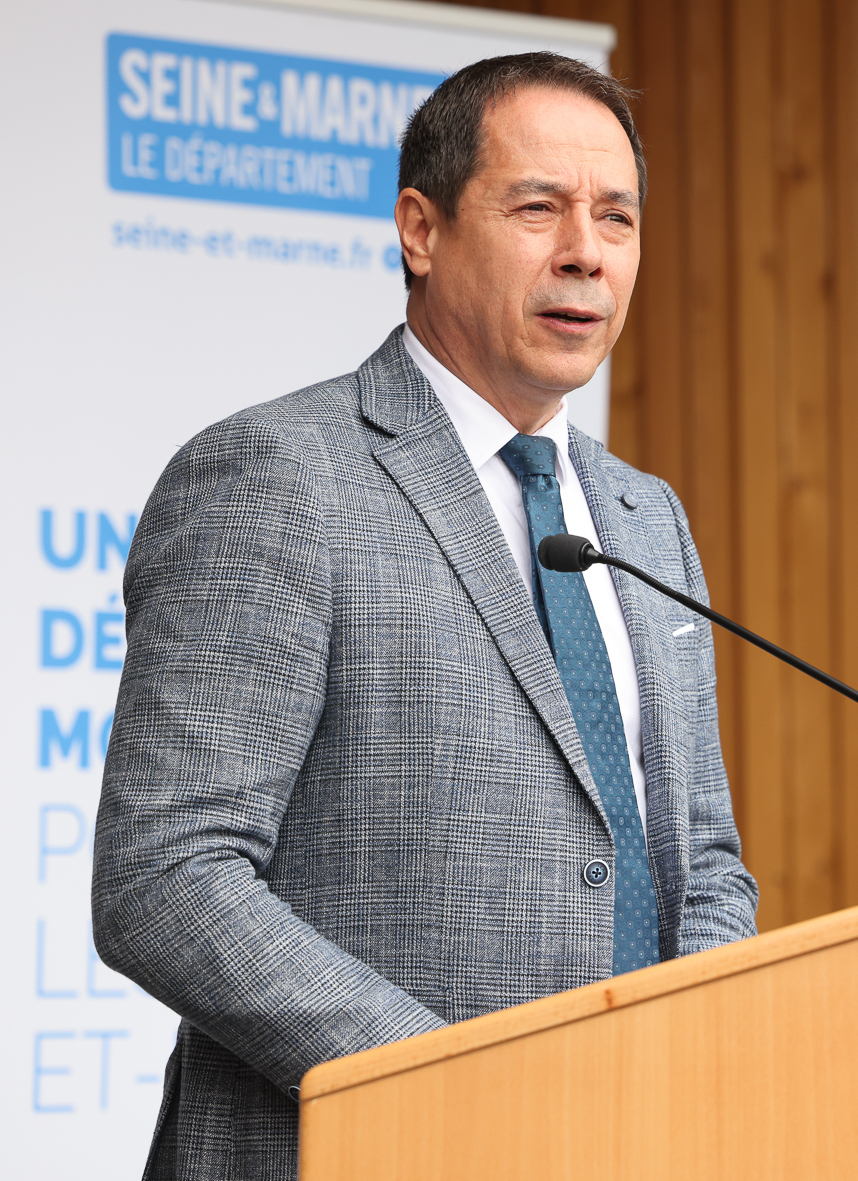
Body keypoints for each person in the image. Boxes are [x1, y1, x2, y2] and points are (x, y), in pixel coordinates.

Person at [92, 53, 758, 1181]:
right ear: (421, 228)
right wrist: (458, 1083)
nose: (585, 252)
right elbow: (166, 874)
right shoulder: (276, 476)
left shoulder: (646, 517)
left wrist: (683, 1064)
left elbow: (703, 859)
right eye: (538, 206)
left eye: (617, 217)